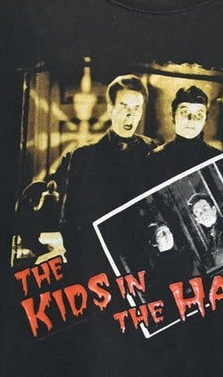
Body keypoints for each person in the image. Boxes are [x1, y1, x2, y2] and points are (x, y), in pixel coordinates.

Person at [51, 74, 158, 276]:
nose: (130, 115)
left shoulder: (152, 151)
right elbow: (70, 221)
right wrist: (83, 266)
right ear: (110, 108)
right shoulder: (84, 158)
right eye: (124, 107)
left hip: (141, 266)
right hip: (97, 266)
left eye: (136, 108)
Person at [146, 85, 223, 186]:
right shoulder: (156, 158)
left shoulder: (218, 160)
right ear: (173, 115)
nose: (191, 119)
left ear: (205, 119)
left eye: (199, 115)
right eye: (185, 112)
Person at [143, 220, 198, 305]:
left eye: (168, 231)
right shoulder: (155, 270)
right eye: (161, 234)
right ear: (153, 242)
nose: (167, 236)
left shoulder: (187, 256)